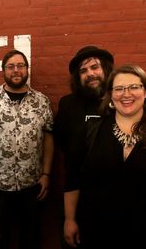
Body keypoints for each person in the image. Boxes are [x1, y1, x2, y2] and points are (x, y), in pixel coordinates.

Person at [63, 64, 146, 249]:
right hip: (96, 235)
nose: (126, 94)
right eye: (119, 88)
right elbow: (74, 179)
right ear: (111, 95)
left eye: (134, 87)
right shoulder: (91, 133)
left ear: (145, 92)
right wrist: (70, 219)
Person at [0, 49, 54, 248]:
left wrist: (46, 174)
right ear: (3, 70)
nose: (16, 70)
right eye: (11, 66)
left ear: (26, 69)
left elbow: (49, 137)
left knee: (30, 237)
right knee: (0, 237)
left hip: (32, 183)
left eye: (20, 66)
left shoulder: (41, 101)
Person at [53, 46, 114, 247]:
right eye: (83, 70)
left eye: (94, 67)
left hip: (115, 201)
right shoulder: (68, 105)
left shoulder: (121, 102)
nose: (90, 74)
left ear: (105, 69)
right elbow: (65, 150)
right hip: (78, 199)